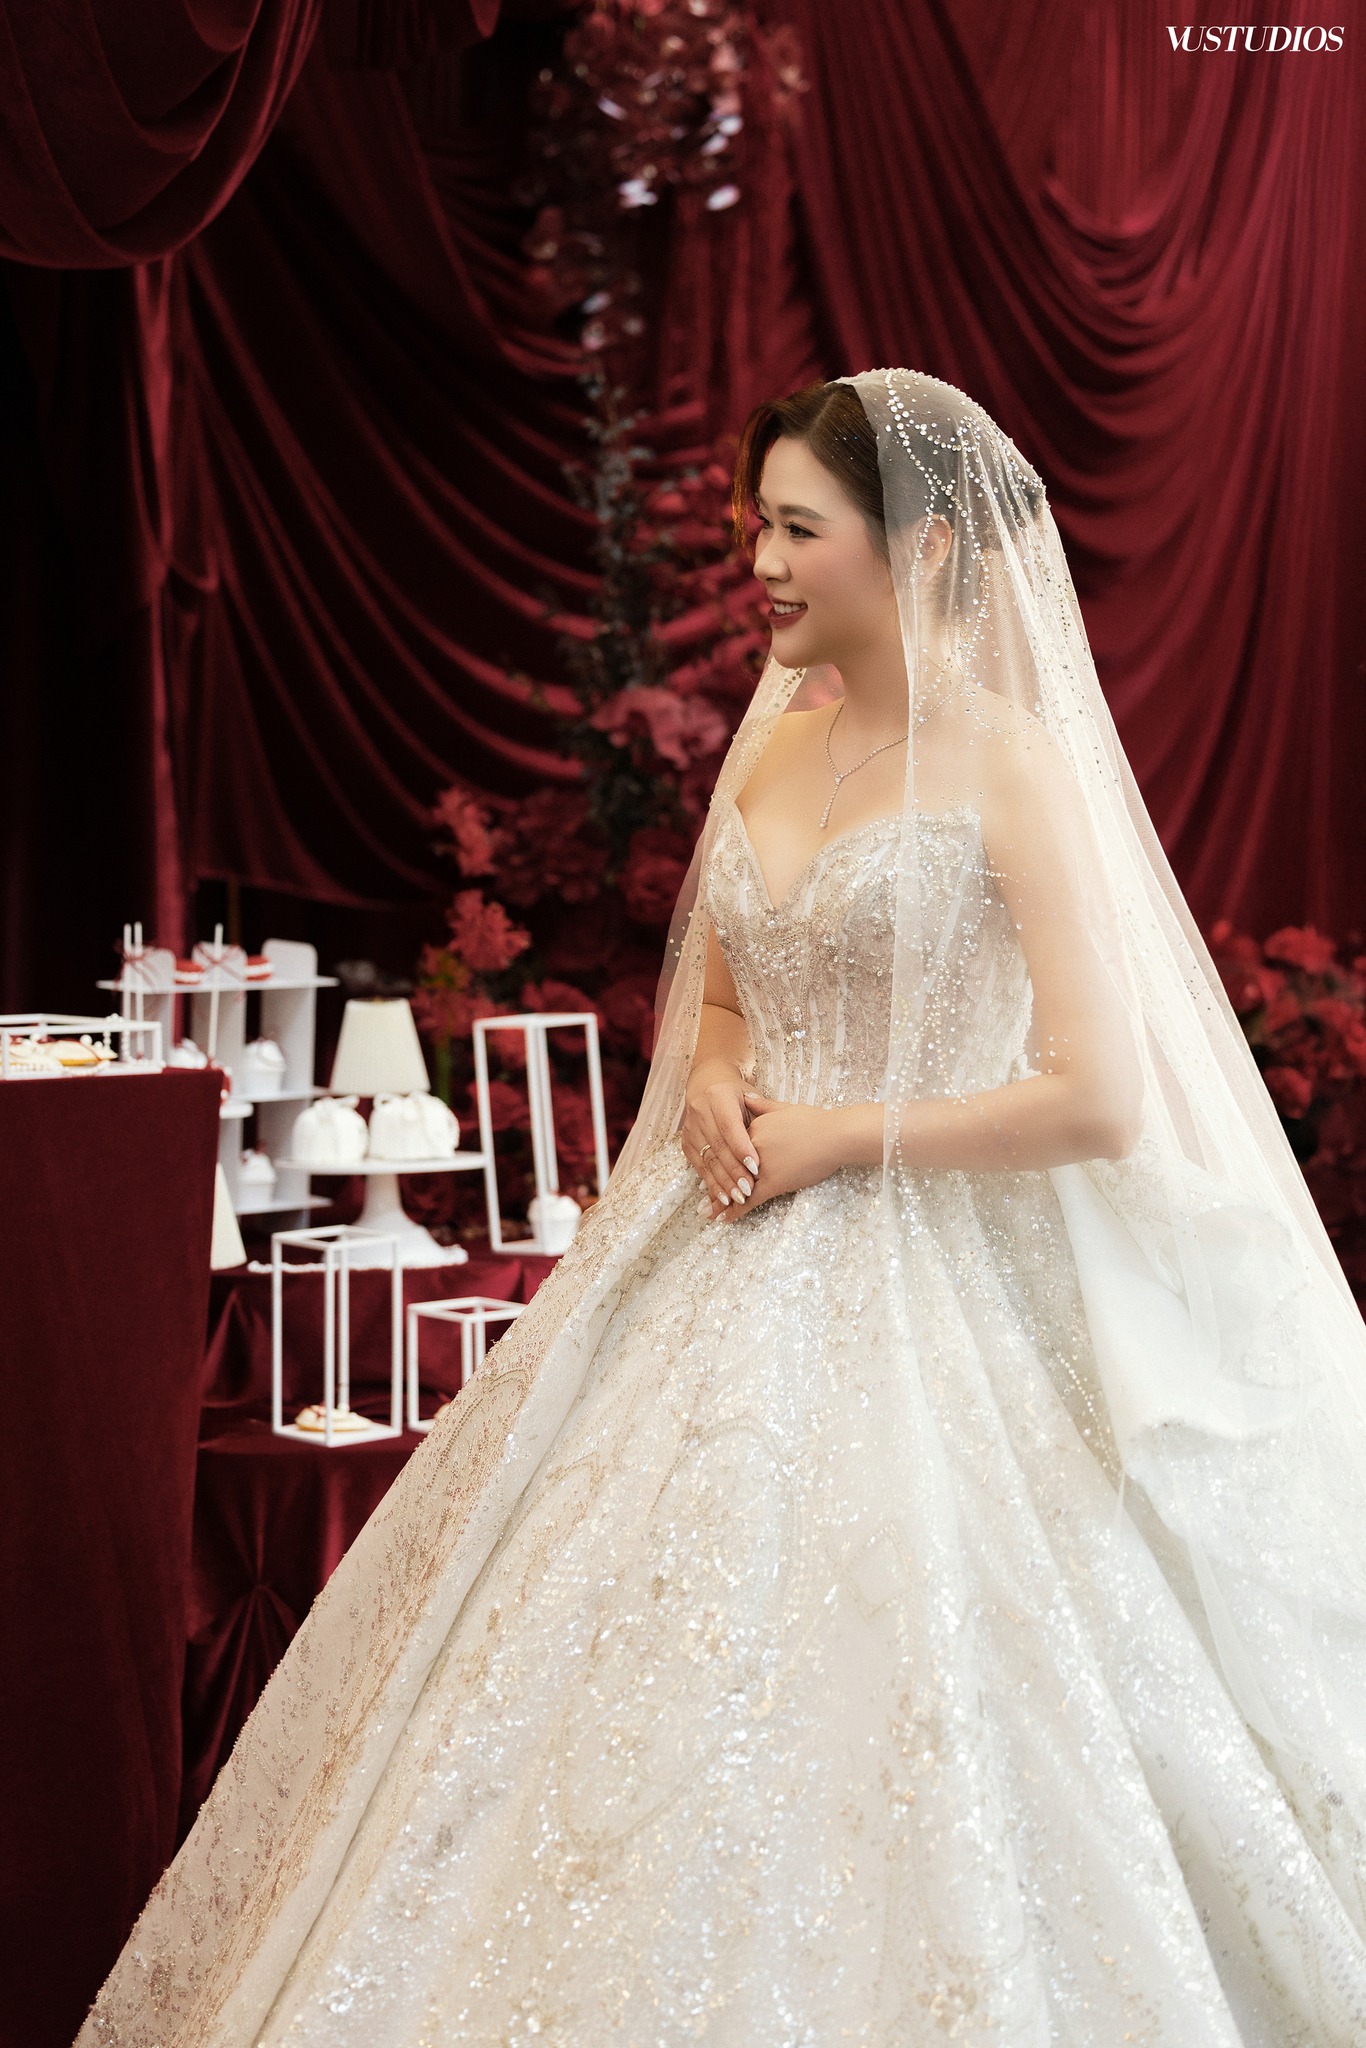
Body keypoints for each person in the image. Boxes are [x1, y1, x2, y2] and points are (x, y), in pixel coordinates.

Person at [81, 372, 1366, 2047]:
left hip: (926, 1273)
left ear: (920, 549)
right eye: (755, 526)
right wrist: (711, 1070)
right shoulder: (778, 749)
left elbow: (1095, 1097)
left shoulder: (1011, 768)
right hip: (712, 1249)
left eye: (795, 530)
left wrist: (844, 1138)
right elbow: (740, 986)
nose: (757, 563)